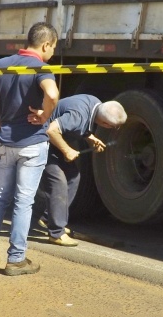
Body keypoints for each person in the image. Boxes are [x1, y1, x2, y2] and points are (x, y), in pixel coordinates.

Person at [0, 22, 59, 276]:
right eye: (53, 47)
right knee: (24, 201)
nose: (52, 52)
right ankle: (16, 258)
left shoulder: (3, 65)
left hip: (5, 141)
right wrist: (45, 115)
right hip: (32, 144)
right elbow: (52, 94)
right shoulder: (41, 68)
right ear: (45, 45)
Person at [35, 95, 127, 246]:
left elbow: (77, 124)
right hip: (38, 142)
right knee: (58, 181)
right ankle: (56, 233)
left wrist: (90, 137)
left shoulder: (95, 103)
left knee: (73, 177)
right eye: (113, 126)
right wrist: (67, 151)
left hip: (51, 142)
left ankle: (48, 219)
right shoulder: (78, 115)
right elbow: (51, 131)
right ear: (105, 123)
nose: (113, 129)